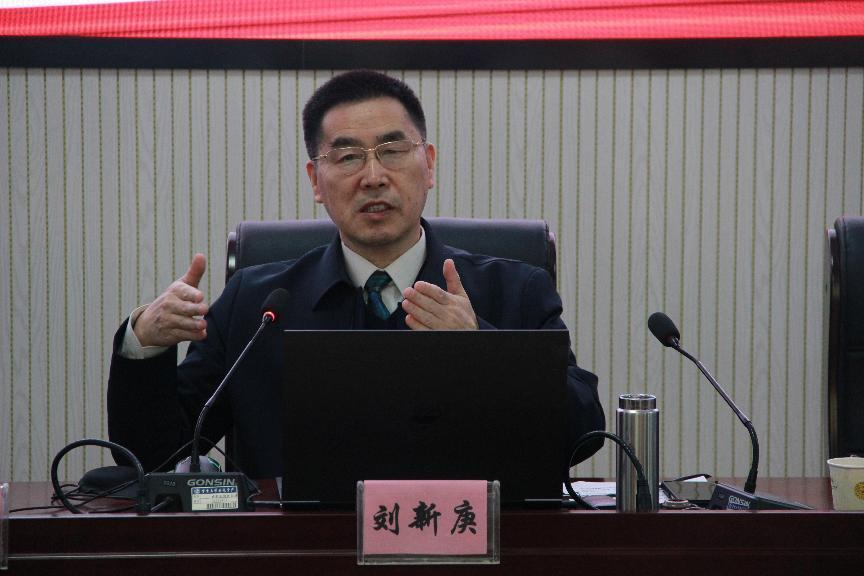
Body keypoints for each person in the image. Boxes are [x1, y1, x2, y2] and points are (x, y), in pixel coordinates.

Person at [108, 70, 605, 478]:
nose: (373, 177)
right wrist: (144, 343)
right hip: (296, 553)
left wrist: (482, 352)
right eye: (347, 157)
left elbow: (582, 434)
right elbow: (157, 454)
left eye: (392, 151)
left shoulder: (514, 291)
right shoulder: (257, 306)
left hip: (470, 548)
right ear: (316, 181)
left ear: (429, 164)